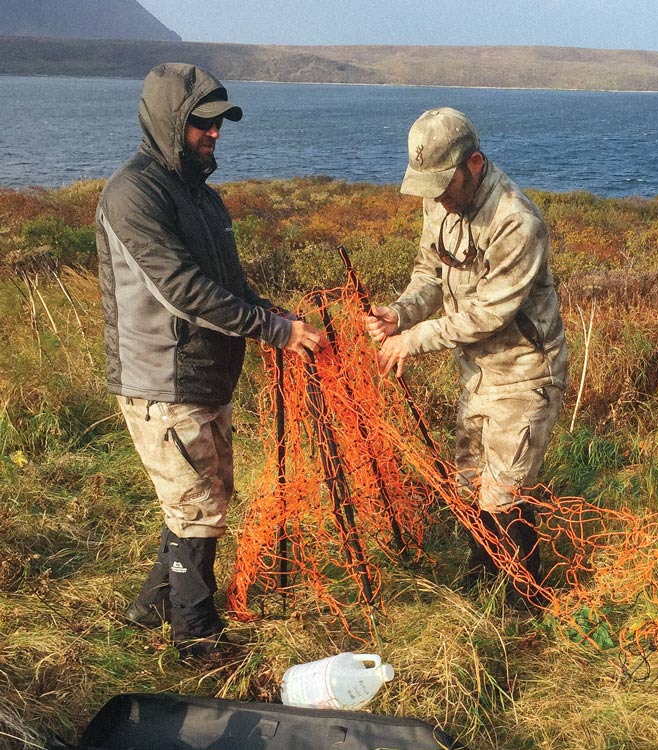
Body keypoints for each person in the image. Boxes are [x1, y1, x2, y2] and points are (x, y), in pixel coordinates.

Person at [96, 63, 324, 659]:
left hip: (204, 376)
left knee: (201, 495)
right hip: (163, 377)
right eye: (202, 124)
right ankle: (196, 640)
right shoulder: (132, 195)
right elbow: (182, 290)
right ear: (172, 123)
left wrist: (278, 317)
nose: (214, 134)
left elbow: (229, 284)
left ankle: (151, 607)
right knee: (199, 506)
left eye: (219, 124)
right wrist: (272, 330)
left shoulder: (202, 196)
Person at [366, 107, 568, 598]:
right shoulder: (439, 201)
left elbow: (488, 315)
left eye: (441, 183)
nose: (433, 196)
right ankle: (483, 584)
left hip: (524, 373)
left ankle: (524, 606)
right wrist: (401, 313)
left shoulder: (517, 221)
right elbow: (429, 273)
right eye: (425, 185)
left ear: (473, 163)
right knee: (471, 485)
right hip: (476, 373)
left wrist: (411, 341)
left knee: (505, 493)